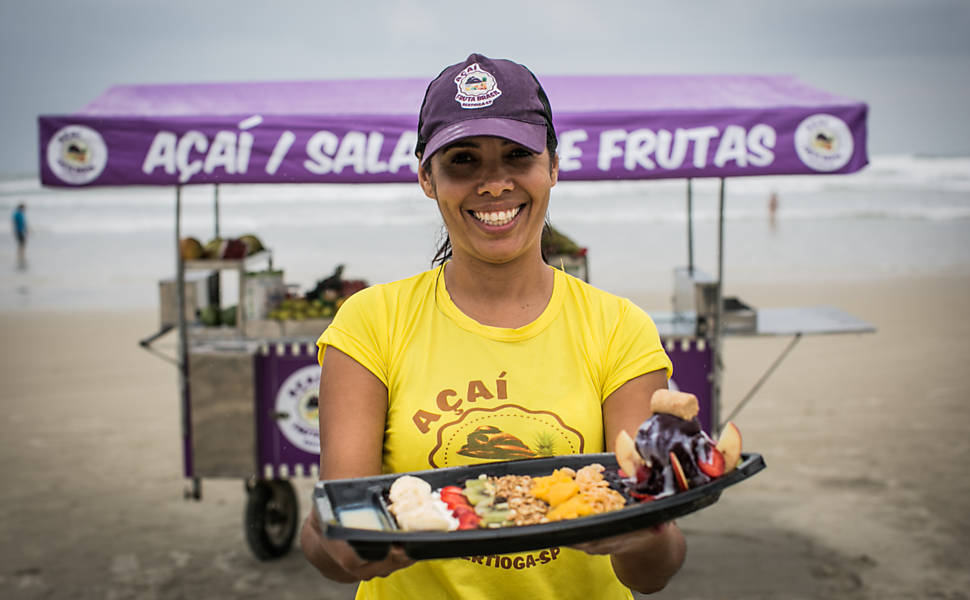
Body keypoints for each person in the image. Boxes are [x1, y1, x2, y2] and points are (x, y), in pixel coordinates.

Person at [300, 53, 686, 598]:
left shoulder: (619, 328)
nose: (494, 184)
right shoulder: (372, 322)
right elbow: (339, 538)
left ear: (553, 167)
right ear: (427, 178)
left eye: (517, 155)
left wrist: (646, 534)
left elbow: (652, 572)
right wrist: (330, 538)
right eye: (463, 160)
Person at [12, 203, 27, 268]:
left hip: (20, 231)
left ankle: (21, 255)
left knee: (22, 243)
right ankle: (21, 256)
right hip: (19, 231)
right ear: (21, 207)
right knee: (22, 243)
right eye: (24, 208)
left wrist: (26, 230)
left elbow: (23, 223)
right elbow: (16, 223)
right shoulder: (18, 214)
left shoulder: (19, 214)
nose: (25, 209)